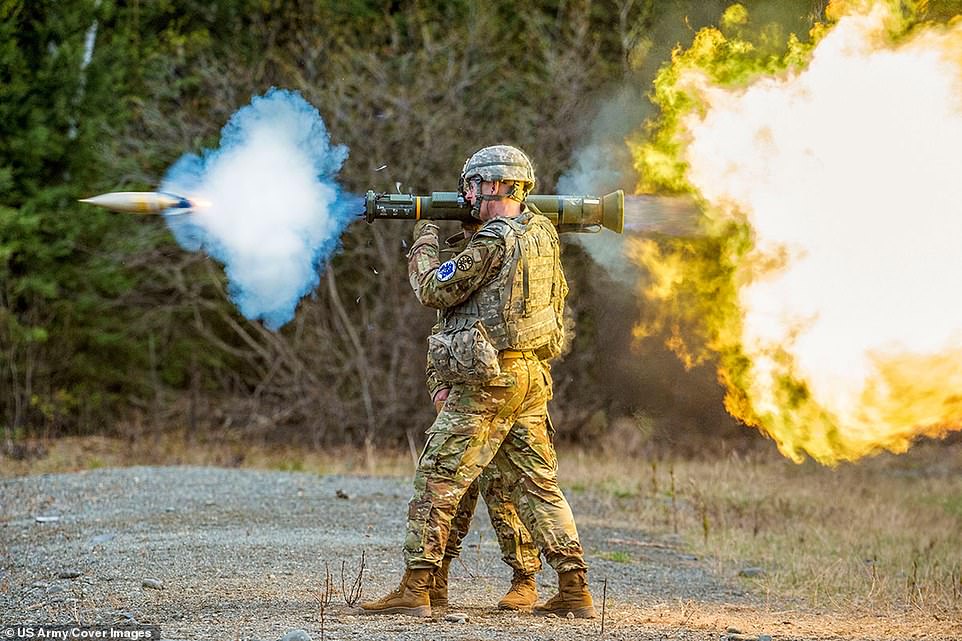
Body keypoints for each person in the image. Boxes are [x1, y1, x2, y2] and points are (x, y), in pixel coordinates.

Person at [360, 144, 595, 619]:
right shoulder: (542, 232)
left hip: (489, 379)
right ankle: (574, 590)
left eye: (472, 185)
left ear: (494, 186)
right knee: (537, 484)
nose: (465, 194)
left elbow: (434, 289)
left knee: (438, 478)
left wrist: (425, 239)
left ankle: (416, 587)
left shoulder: (492, 241)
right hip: (529, 375)